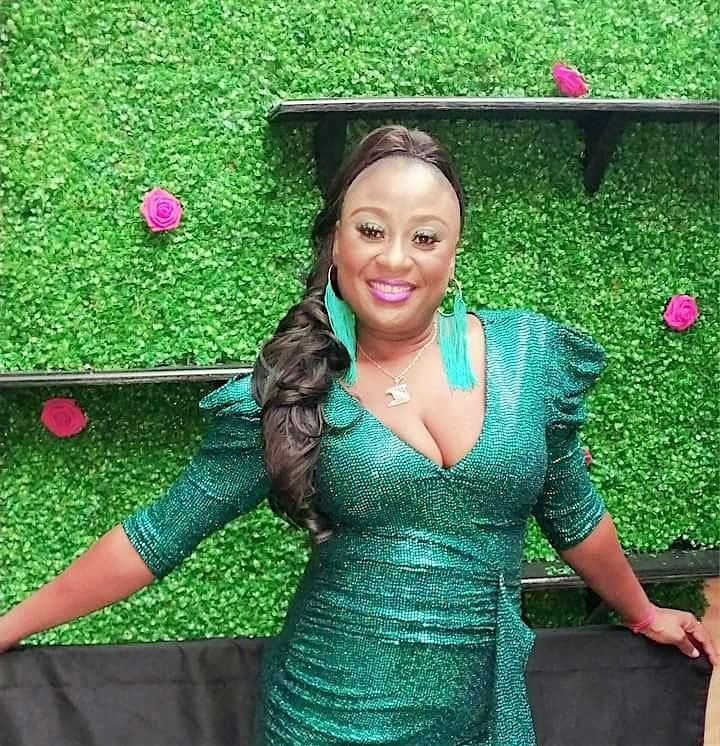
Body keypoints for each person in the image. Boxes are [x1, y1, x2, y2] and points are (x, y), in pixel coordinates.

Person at [0, 125, 716, 745]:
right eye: (371, 229)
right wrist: (11, 625)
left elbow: (574, 513)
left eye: (425, 237)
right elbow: (157, 535)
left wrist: (642, 612)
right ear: (336, 238)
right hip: (326, 716)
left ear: (453, 251)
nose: (395, 259)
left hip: (480, 718)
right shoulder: (293, 390)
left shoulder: (528, 359)